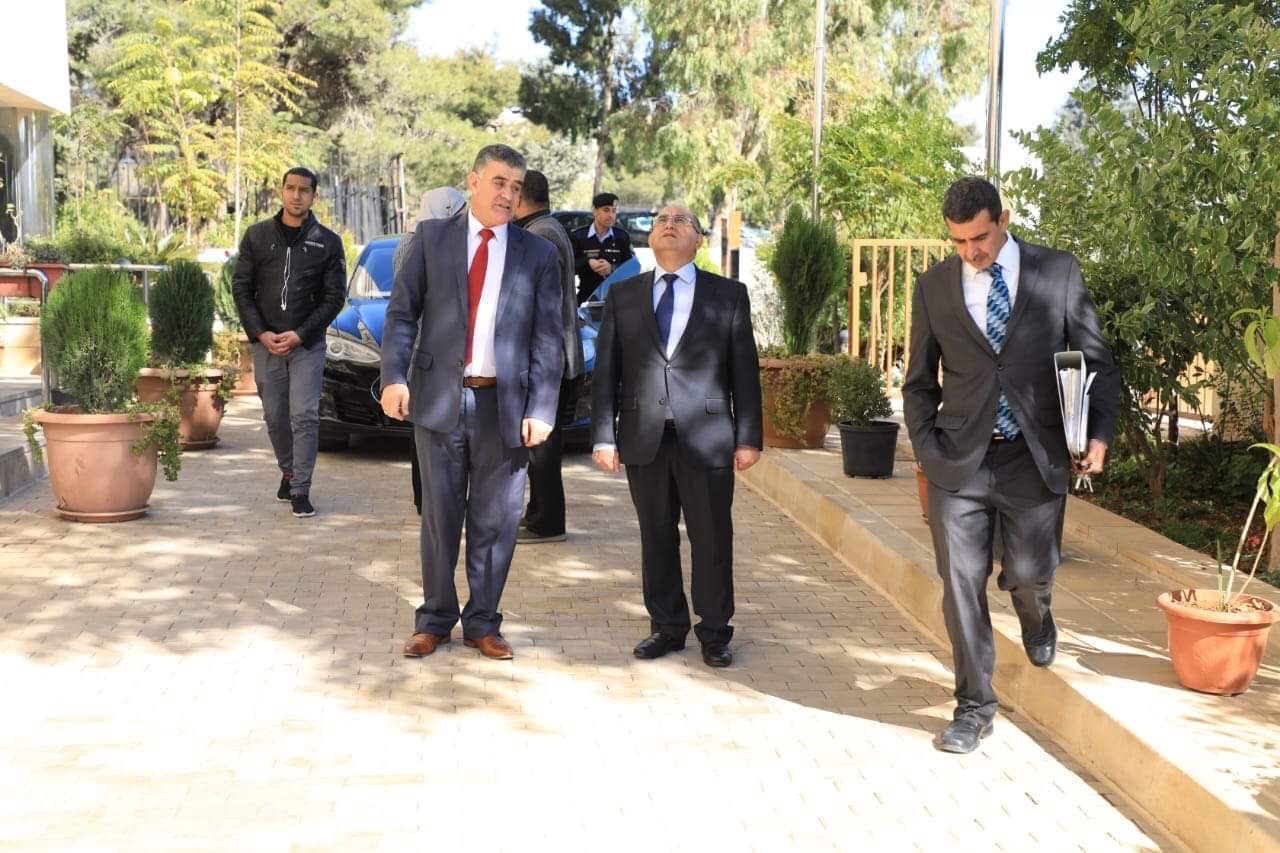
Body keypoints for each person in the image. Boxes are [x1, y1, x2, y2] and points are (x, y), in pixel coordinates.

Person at [902, 176, 1119, 754]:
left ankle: (1037, 615)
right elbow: (918, 382)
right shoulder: (933, 287)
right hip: (958, 461)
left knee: (1026, 571)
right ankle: (973, 707)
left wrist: (1098, 434)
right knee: (960, 583)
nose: (970, 251)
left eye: (979, 237)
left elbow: (1097, 361)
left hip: (1035, 454)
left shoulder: (1057, 272)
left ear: (1003, 218)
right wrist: (926, 448)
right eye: (957, 241)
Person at [380, 144, 563, 661]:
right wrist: (393, 377)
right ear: (475, 181)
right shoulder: (432, 239)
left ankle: (483, 621)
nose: (508, 194)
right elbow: (401, 314)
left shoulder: (538, 254)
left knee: (496, 521)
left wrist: (542, 408)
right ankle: (434, 619)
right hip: (439, 400)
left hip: (504, 406)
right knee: (439, 518)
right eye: (499, 182)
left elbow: (548, 337)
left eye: (516, 187)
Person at [591, 204, 763, 668]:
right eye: (662, 220)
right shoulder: (624, 294)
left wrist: (749, 437)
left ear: (699, 239)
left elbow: (745, 371)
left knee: (712, 537)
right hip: (643, 436)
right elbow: (606, 371)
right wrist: (604, 436)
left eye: (681, 220)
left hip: (707, 437)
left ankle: (715, 631)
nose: (669, 225)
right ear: (650, 237)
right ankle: (666, 626)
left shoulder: (728, 295)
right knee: (656, 536)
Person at [232, 166, 346, 519]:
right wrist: (260, 333)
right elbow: (241, 288)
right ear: (281, 191)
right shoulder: (257, 236)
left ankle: (300, 488)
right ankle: (288, 470)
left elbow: (334, 298)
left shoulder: (327, 242)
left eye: (304, 190)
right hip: (266, 342)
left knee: (304, 416)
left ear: (313, 196)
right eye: (291, 188)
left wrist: (301, 334)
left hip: (306, 344)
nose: (297, 195)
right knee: (274, 415)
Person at [513, 170, 584, 543]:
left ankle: (548, 522)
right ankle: (538, 513)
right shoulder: (548, 227)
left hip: (552, 358)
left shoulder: (541, 234)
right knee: (539, 445)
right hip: (556, 355)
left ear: (520, 195)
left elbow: (540, 308)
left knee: (542, 445)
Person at [392, 186, 468, 516]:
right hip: (425, 347)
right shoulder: (418, 244)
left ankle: (432, 499)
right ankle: (427, 499)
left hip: (433, 348)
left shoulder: (427, 241)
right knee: (426, 429)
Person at [571, 192, 633, 305]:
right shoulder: (579, 236)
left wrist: (612, 268)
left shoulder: (622, 237)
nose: (611, 215)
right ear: (594, 211)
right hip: (586, 299)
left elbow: (632, 268)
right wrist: (588, 262)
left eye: (614, 211)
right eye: (606, 210)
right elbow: (568, 267)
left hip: (616, 300)